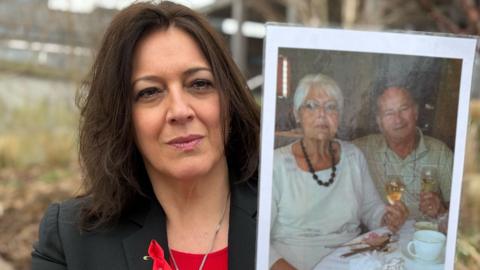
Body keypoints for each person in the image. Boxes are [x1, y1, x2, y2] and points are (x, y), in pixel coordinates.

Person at [31, 2, 260, 270]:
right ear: (123, 118)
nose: (180, 111)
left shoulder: (296, 220)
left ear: (229, 100)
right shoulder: (72, 240)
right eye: (150, 92)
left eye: (199, 84)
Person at [269, 74, 408, 270]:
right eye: (311, 105)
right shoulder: (277, 164)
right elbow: (257, 235)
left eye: (331, 107)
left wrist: (388, 218)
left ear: (339, 117)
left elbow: (371, 209)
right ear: (297, 114)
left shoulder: (353, 156)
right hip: (294, 262)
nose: (322, 114)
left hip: (351, 259)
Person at [354, 86, 452, 220]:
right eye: (389, 113)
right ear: (379, 121)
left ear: (415, 112)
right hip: (385, 235)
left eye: (404, 109)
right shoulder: (363, 149)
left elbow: (463, 208)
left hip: (428, 235)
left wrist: (442, 210)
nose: (398, 120)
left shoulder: (440, 152)